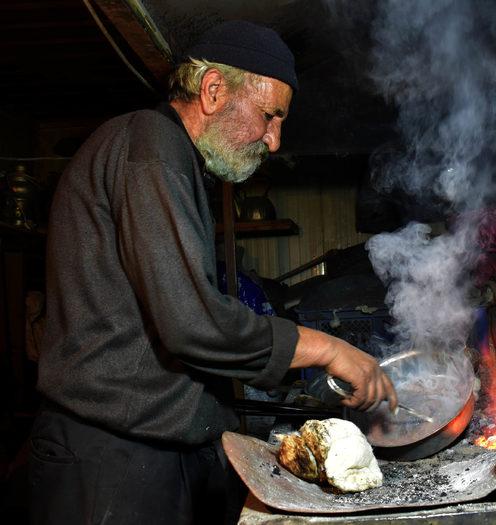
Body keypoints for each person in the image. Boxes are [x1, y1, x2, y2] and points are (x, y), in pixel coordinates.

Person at [27, 20, 397, 525]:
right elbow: (190, 323)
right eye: (270, 116)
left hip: (145, 451)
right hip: (110, 464)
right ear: (214, 90)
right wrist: (329, 348)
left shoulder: (170, 156)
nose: (273, 140)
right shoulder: (150, 146)